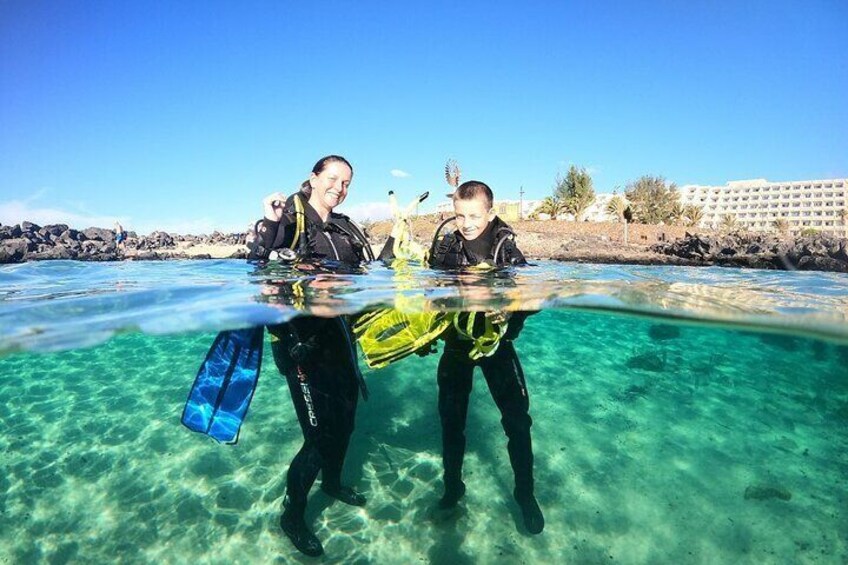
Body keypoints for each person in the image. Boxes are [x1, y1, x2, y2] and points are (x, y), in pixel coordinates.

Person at [248, 155, 374, 557]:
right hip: (300, 344)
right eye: (333, 178)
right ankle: (293, 515)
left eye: (346, 182)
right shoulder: (288, 218)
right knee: (319, 437)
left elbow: (370, 273)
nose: (339, 186)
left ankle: (332, 484)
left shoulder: (343, 227)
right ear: (313, 178)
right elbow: (254, 266)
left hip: (339, 339)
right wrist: (268, 224)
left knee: (348, 421)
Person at [427, 180, 545, 534]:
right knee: (451, 423)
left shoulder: (505, 249)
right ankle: (452, 488)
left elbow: (533, 296)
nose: (466, 223)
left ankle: (525, 494)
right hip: (457, 349)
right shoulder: (446, 248)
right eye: (460, 215)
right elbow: (429, 293)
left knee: (518, 421)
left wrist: (510, 311)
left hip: (497, 349)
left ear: (490, 213)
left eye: (474, 215)